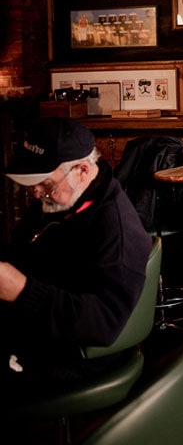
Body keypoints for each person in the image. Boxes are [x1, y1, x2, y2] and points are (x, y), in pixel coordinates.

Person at [0, 116, 152, 403]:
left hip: (75, 357)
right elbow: (21, 251)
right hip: (35, 328)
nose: (36, 193)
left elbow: (104, 325)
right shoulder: (61, 199)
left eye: (45, 184)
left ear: (81, 170)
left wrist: (22, 290)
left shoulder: (117, 232)